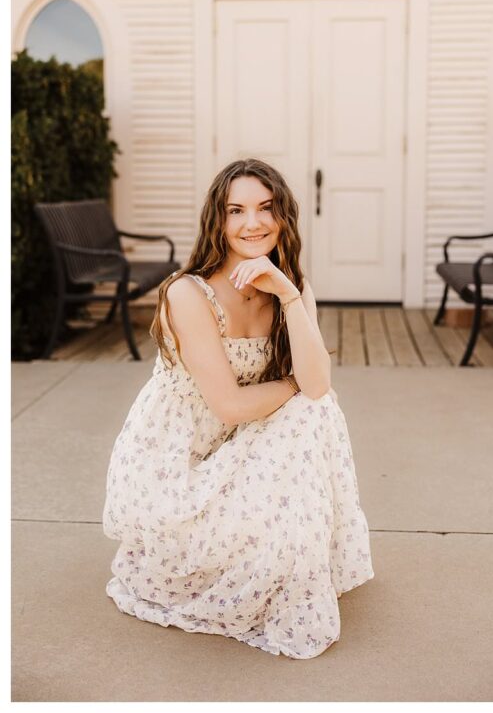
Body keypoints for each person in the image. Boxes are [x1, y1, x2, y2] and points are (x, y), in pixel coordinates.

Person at [102, 158, 373, 659]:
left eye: (266, 208)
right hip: (182, 467)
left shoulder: (289, 286)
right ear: (218, 220)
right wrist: (294, 383)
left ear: (283, 216)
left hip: (243, 444)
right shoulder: (189, 293)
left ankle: (284, 561)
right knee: (307, 406)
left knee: (317, 411)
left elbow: (317, 386)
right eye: (236, 210)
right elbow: (228, 405)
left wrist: (289, 295)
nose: (253, 223)